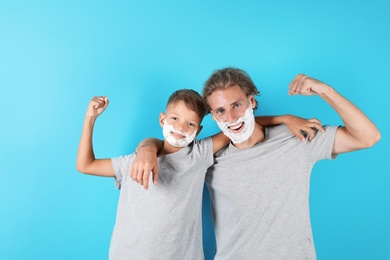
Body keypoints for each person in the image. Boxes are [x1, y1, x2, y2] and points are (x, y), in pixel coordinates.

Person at [133, 68, 381, 259]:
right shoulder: (208, 156)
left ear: (251, 101)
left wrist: (325, 90)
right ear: (213, 117)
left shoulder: (297, 138)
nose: (231, 118)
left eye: (237, 105)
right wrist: (146, 148)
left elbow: (368, 137)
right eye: (220, 111)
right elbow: (170, 146)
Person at [76, 89, 316, 259]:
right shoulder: (134, 162)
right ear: (162, 119)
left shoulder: (199, 154)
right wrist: (90, 119)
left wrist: (285, 118)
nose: (181, 128)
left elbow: (238, 125)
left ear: (199, 129)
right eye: (175, 119)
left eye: (190, 124)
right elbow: (85, 165)